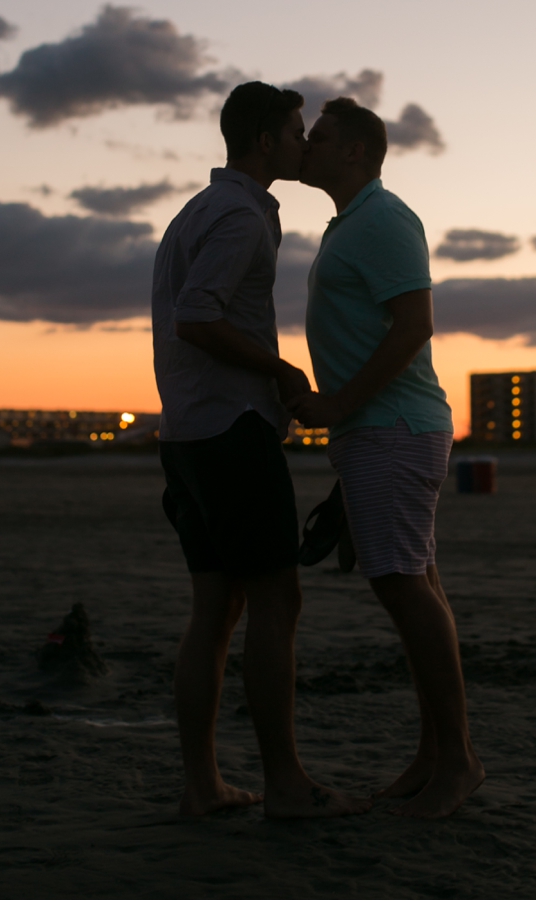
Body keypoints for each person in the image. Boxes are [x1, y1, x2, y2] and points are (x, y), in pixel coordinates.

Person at [151, 81, 370, 820]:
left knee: (215, 606)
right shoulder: (242, 216)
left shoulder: (195, 211)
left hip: (185, 433)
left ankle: (202, 785)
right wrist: (279, 371)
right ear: (268, 141)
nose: (305, 143)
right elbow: (195, 316)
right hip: (229, 429)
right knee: (278, 595)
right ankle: (284, 784)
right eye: (296, 130)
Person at [289, 96, 485, 819]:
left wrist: (340, 404)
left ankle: (458, 759)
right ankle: (435, 754)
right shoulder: (349, 223)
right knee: (417, 587)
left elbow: (414, 325)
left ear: (357, 153)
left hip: (393, 426)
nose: (308, 144)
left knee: (405, 588)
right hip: (379, 430)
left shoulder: (385, 218)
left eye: (324, 136)